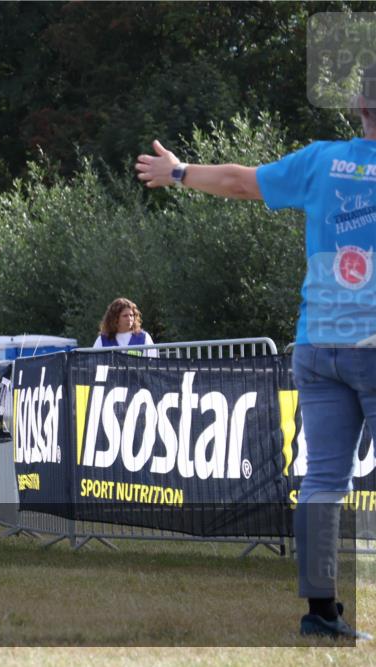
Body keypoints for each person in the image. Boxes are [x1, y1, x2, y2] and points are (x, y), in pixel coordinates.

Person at [135, 64, 376, 640]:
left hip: (317, 343)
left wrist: (180, 171)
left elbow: (242, 181)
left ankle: (321, 613)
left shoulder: (321, 161)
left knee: (323, 482)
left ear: (359, 106)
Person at [92, 297, 158, 358]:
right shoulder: (102, 340)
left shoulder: (144, 337)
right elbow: (94, 363)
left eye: (131, 315)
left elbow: (153, 364)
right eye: (125, 316)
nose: (129, 318)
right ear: (115, 318)